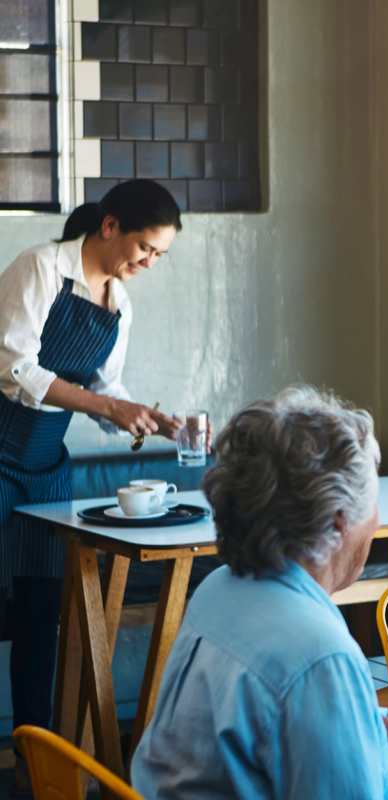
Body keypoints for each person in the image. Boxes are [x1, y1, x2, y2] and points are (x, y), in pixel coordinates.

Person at [132, 387, 388, 798]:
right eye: (373, 502)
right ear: (340, 522)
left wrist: (381, 729)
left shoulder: (218, 590)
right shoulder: (319, 653)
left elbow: (278, 716)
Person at [0, 180, 183, 787]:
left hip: (48, 468)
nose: (149, 264)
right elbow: (14, 366)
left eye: (159, 256)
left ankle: (34, 757)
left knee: (39, 612)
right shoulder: (41, 268)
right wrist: (105, 410)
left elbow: (108, 390)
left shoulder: (119, 303)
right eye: (145, 249)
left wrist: (149, 419)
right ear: (110, 227)